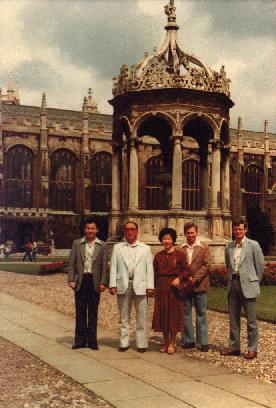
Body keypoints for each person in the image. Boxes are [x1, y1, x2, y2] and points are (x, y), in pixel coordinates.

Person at [221, 217, 264, 359]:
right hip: (233, 283)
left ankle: (252, 349)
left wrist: (254, 282)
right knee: (233, 318)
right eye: (235, 229)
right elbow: (228, 265)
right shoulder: (229, 247)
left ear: (245, 229)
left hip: (248, 285)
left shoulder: (253, 245)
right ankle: (234, 347)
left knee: (251, 320)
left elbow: (260, 267)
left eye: (240, 229)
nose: (237, 231)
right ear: (232, 230)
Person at [109, 221, 154, 352]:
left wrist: (150, 286)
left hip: (140, 285)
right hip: (123, 284)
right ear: (124, 232)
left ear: (137, 231)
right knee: (124, 317)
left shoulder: (145, 248)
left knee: (142, 316)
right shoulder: (118, 248)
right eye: (127, 229)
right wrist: (112, 284)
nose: (130, 232)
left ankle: (141, 344)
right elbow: (113, 267)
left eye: (132, 229)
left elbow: (149, 269)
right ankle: (124, 342)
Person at [68, 218, 108, 350]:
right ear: (85, 229)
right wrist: (71, 279)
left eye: (92, 228)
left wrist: (103, 283)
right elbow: (72, 263)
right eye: (88, 228)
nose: (90, 231)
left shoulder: (102, 245)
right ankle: (79, 340)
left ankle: (92, 341)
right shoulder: (77, 243)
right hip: (81, 280)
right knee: (80, 312)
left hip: (94, 281)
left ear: (97, 230)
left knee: (93, 312)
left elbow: (104, 266)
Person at [152, 228, 194, 354]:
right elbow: (154, 273)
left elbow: (186, 270)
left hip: (174, 289)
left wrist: (179, 278)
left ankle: (172, 342)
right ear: (161, 240)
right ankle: (165, 342)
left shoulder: (180, 254)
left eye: (169, 239)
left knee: (174, 315)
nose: (166, 241)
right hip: (161, 288)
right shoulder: (158, 256)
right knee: (163, 315)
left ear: (173, 240)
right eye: (164, 239)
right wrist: (154, 287)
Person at [180, 222, 211, 352]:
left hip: (200, 284)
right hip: (186, 284)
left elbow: (207, 264)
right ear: (185, 233)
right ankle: (188, 340)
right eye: (188, 233)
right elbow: (179, 266)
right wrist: (187, 278)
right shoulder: (179, 248)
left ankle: (203, 342)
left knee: (201, 313)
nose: (190, 235)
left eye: (192, 232)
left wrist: (196, 277)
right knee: (186, 313)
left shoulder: (204, 247)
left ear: (196, 233)